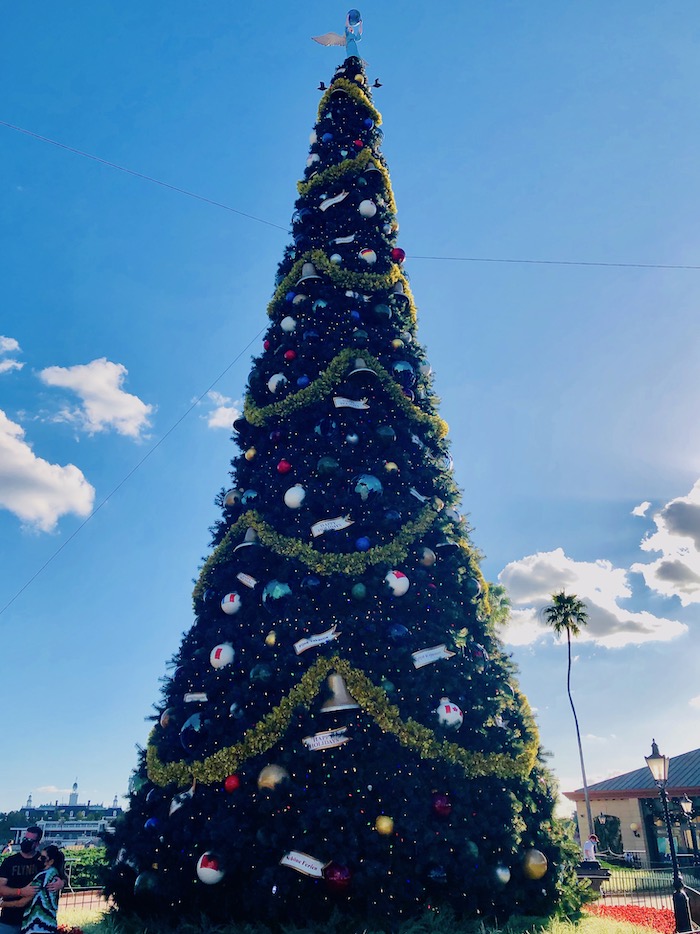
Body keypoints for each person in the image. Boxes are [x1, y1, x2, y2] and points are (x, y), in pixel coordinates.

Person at [0, 828, 63, 934]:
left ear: (37, 843)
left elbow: (60, 875)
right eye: (25, 838)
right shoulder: (9, 862)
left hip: (32, 922)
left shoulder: (43, 861)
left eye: (29, 840)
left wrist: (61, 883)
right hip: (10, 920)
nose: (25, 842)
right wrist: (20, 891)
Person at [21, 845, 66, 934]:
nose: (38, 859)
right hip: (48, 923)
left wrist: (3, 903)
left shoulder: (43, 876)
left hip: (36, 925)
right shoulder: (55, 874)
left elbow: (24, 898)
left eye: (42, 858)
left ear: (51, 861)